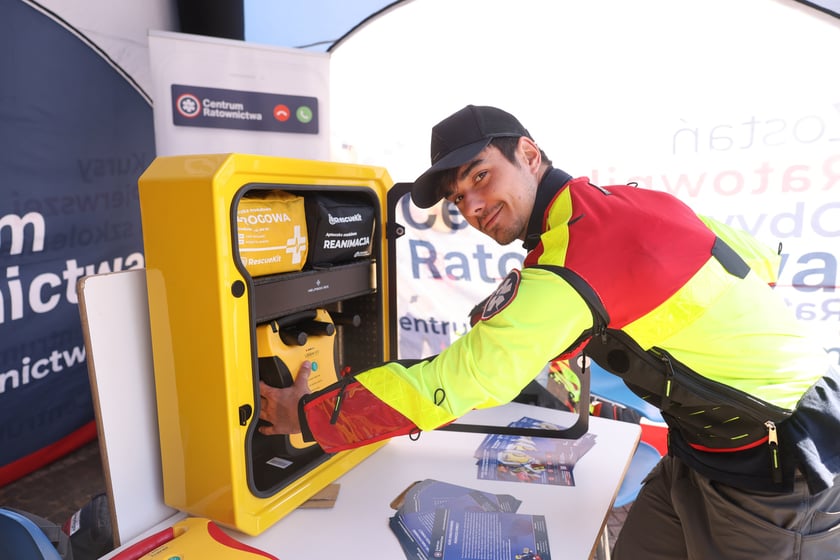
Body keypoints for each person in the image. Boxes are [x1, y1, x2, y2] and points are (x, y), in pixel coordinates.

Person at [259, 104, 840, 559]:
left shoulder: (565, 269)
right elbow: (762, 262)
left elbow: (452, 384)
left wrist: (306, 417)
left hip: (779, 475)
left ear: (530, 154)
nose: (474, 206)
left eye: (481, 177)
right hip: (706, 448)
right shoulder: (629, 201)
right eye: (459, 199)